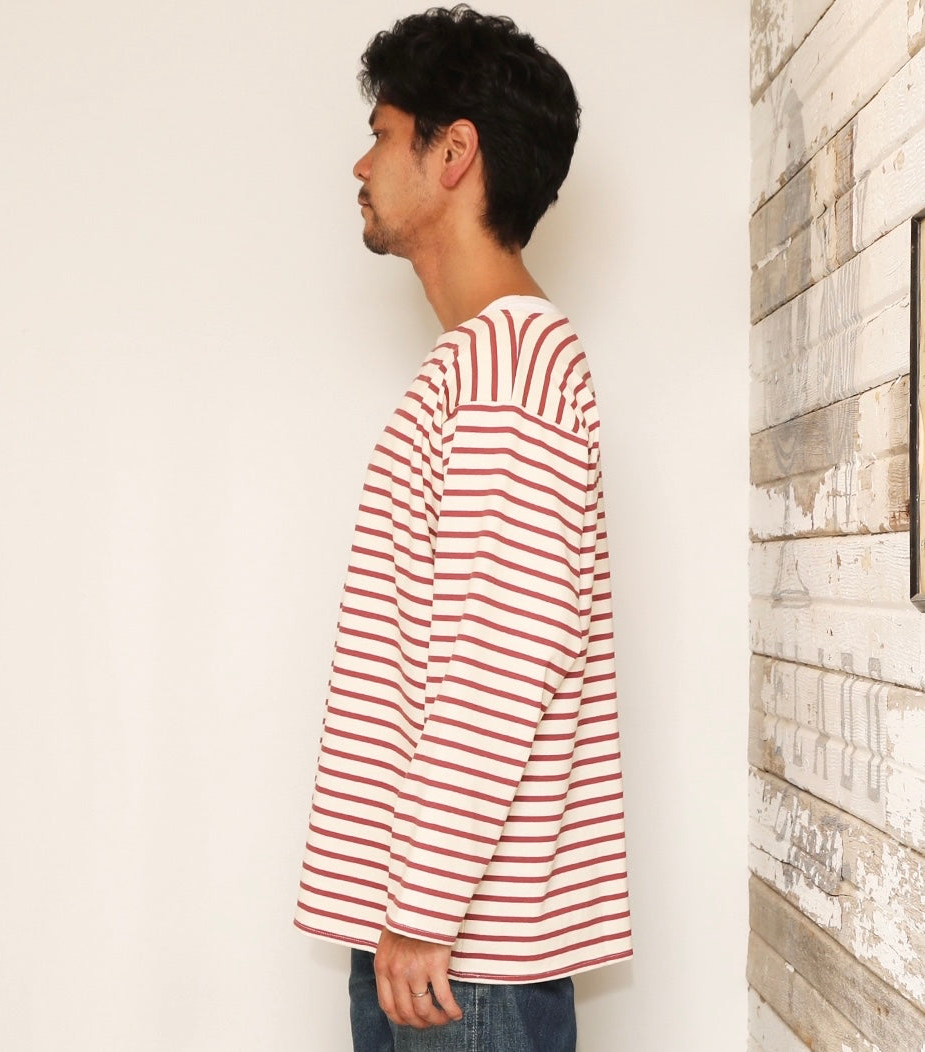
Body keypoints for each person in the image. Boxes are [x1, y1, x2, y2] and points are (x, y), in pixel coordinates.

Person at [294, 7, 632, 1050]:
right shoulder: (482, 365)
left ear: (453, 154)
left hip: (458, 958)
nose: (361, 163)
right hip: (436, 946)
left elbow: (500, 655)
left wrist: (423, 906)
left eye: (383, 134)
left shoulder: (509, 371)